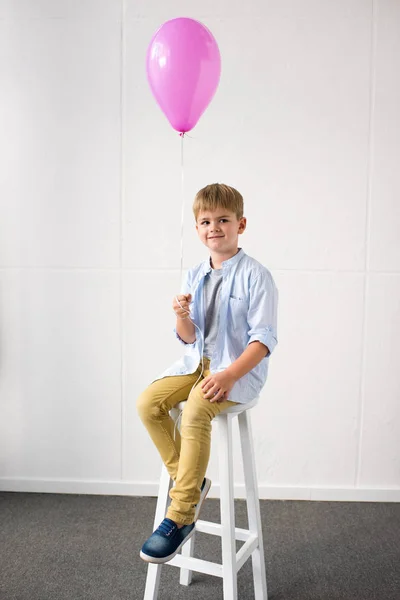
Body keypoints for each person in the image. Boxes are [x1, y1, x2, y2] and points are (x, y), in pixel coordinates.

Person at [137, 183, 278, 564]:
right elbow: (188, 338)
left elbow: (263, 341)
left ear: (240, 224)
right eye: (205, 221)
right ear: (197, 229)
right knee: (148, 403)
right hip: (197, 363)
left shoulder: (256, 276)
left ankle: (180, 515)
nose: (214, 227)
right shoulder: (195, 274)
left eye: (223, 220)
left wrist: (230, 375)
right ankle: (191, 483)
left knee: (197, 408)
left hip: (235, 370)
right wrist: (181, 315)